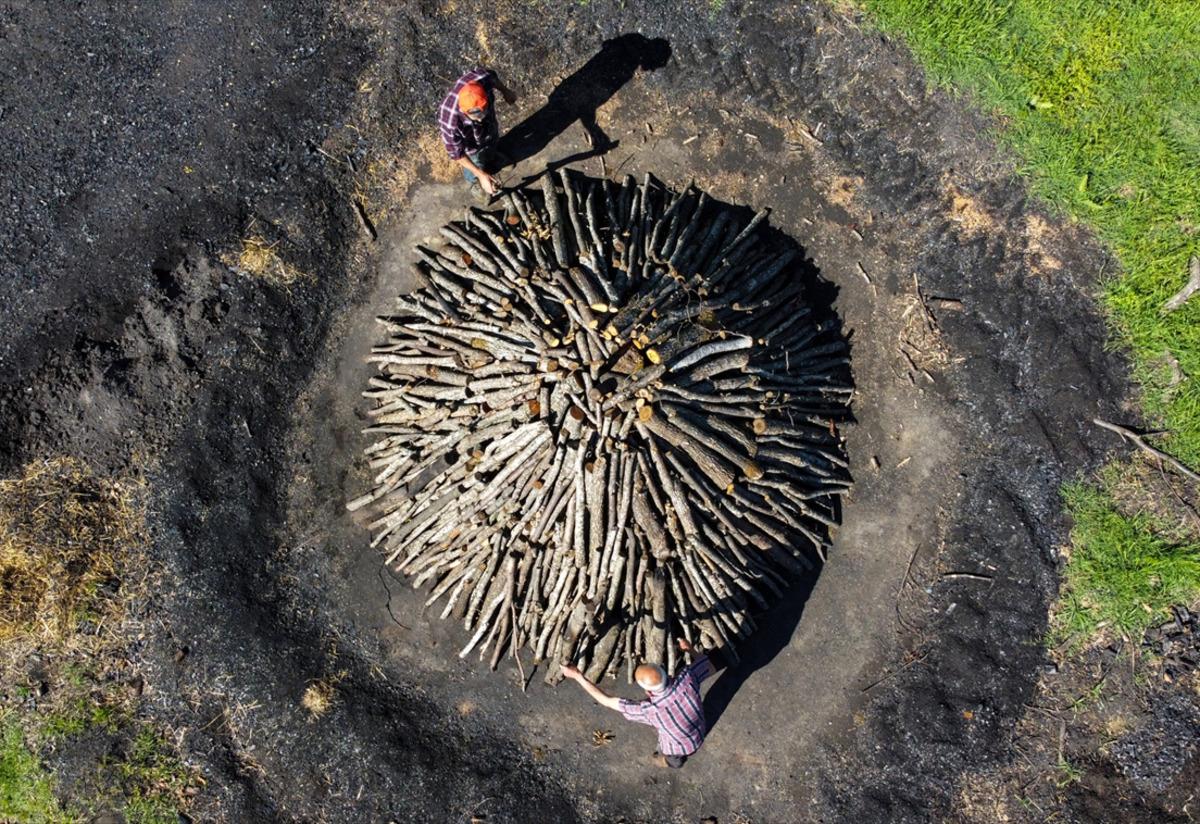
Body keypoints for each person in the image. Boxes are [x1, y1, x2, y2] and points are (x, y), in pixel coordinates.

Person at [560, 638, 722, 768]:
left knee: (674, 761)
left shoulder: (649, 711)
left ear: (647, 691)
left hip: (677, 749)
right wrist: (689, 649)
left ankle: (664, 762)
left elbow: (607, 701)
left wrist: (578, 676)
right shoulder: (687, 679)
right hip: (699, 731)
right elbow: (707, 664)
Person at [437, 67, 516, 199]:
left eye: (484, 110)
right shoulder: (450, 121)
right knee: (475, 159)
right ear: (465, 111)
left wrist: (505, 91)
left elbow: (492, 77)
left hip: (488, 129)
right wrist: (480, 174)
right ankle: (476, 183)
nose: (481, 117)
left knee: (492, 138)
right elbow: (457, 154)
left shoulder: (481, 78)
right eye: (477, 115)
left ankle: (492, 157)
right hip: (470, 143)